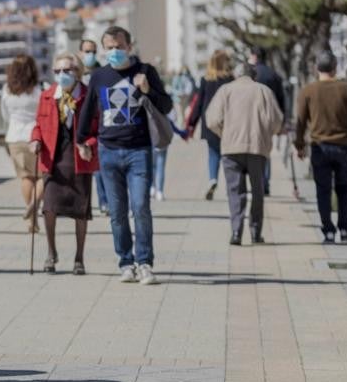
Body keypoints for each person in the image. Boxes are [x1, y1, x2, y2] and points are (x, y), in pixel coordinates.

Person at [75, 26, 173, 285]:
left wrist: (149, 88)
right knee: (117, 212)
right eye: (109, 47)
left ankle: (145, 262)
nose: (114, 51)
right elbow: (87, 110)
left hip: (139, 150)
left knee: (140, 206)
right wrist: (81, 140)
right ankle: (126, 262)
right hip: (108, 151)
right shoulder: (99, 76)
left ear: (129, 47)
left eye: (119, 46)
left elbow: (167, 105)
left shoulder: (145, 71)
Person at [30, 53, 97, 275]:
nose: (62, 75)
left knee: (80, 211)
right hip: (53, 158)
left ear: (77, 72)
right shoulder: (47, 96)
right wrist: (35, 139)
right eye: (57, 71)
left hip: (78, 158)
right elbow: (38, 124)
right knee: (48, 208)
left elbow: (97, 129)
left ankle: (79, 258)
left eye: (67, 70)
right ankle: (51, 252)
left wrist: (88, 143)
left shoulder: (88, 96)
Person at [206, 62, 284, 246]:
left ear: (236, 74)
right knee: (257, 191)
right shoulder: (263, 91)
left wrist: (224, 134)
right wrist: (266, 134)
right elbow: (276, 121)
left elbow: (212, 120)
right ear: (253, 75)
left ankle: (236, 231)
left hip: (231, 148)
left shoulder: (226, 91)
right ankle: (256, 232)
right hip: (257, 148)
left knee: (235, 191)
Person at [294, 50, 347, 244]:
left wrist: (299, 145)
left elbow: (300, 121)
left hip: (319, 147)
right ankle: (345, 230)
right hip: (343, 146)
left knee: (322, 190)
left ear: (317, 69)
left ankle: (328, 231)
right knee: (343, 189)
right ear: (335, 68)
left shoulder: (308, 91)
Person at [184, 50, 233, 201]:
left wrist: (191, 124)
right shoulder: (230, 80)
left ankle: (213, 179)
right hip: (227, 121)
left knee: (213, 152)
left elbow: (198, 104)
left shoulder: (206, 80)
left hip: (209, 122)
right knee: (227, 155)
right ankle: (230, 185)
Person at [2, 55, 42, 231]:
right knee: (43, 176)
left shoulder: (7, 90)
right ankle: (34, 203)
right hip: (35, 137)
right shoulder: (37, 90)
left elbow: (4, 115)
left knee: (26, 177)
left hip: (14, 137)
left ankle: (31, 218)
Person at [249, 47, 287, 196]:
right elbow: (281, 100)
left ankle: (256, 182)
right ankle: (265, 182)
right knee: (266, 150)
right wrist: (282, 121)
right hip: (269, 118)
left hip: (251, 117)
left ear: (254, 56)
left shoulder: (251, 75)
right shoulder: (274, 75)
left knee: (252, 151)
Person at [79, 38, 108, 215]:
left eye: (93, 51)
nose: (90, 55)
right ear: (80, 52)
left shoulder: (101, 72)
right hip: (79, 123)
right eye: (87, 51)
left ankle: (104, 201)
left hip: (97, 122)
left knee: (99, 167)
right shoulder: (74, 72)